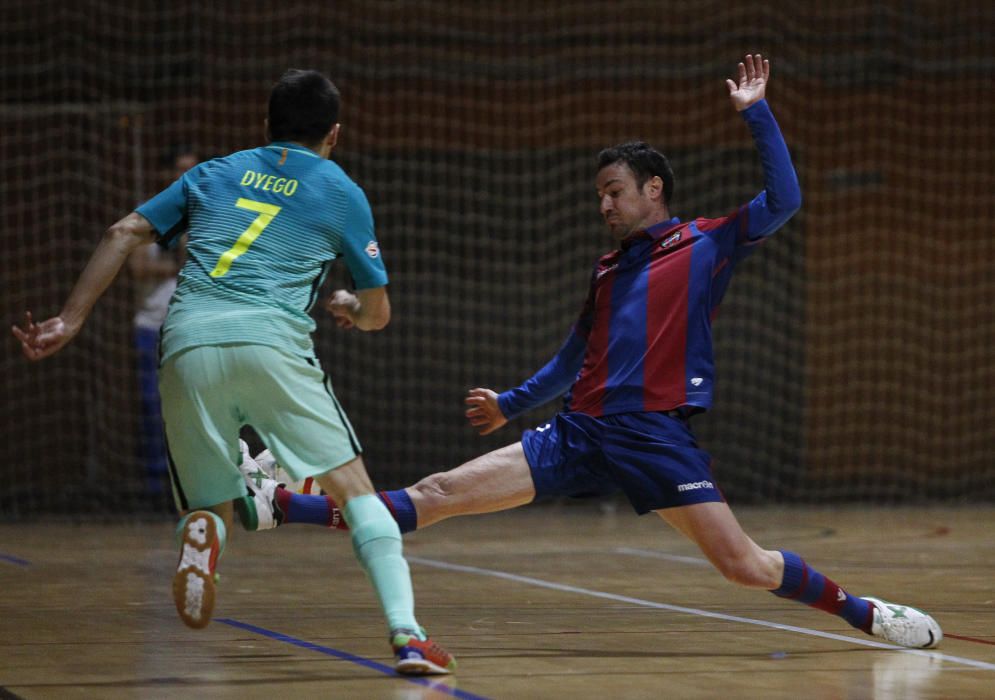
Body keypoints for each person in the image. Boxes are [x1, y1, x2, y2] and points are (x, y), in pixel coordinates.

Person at [237, 55, 943, 650]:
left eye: (614, 192)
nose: (603, 206)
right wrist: (511, 403)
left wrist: (754, 111)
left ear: (652, 190)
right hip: (579, 432)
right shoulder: (606, 270)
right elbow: (575, 354)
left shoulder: (706, 242)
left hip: (655, 436)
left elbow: (783, 199)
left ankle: (868, 614)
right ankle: (273, 506)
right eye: (599, 195)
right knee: (436, 494)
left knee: (744, 567)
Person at [12, 68, 455, 675]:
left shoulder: (213, 171)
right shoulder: (341, 190)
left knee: (207, 503)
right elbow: (378, 311)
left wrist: (68, 319)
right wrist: (350, 307)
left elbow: (124, 232)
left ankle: (203, 542)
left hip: (187, 342)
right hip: (270, 343)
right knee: (356, 495)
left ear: (264, 125)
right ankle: (408, 635)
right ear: (334, 134)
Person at [129, 148, 197, 498]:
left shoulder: (204, 215)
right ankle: (156, 486)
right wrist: (175, 265)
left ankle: (192, 481)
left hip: (188, 329)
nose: (184, 177)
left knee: (192, 407)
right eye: (179, 170)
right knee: (153, 409)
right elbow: (138, 267)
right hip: (150, 325)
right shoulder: (150, 214)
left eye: (192, 170)